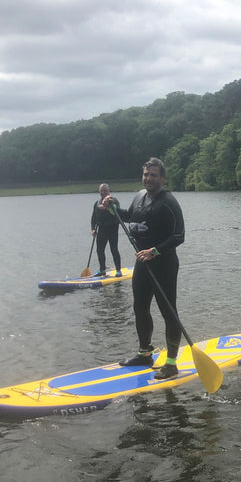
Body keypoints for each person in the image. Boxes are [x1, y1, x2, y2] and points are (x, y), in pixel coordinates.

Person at [99, 158, 185, 380]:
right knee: (140, 308)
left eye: (153, 175)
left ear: (162, 178)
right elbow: (129, 217)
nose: (148, 178)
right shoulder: (139, 197)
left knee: (169, 312)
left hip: (163, 264)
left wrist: (153, 251)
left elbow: (179, 236)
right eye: (146, 174)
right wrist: (113, 207)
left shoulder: (168, 202)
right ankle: (145, 353)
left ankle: (172, 363)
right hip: (143, 264)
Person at [90, 183, 122, 277]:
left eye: (105, 190)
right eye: (101, 191)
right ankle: (102, 270)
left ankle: (118, 270)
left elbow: (118, 213)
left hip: (113, 228)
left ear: (108, 191)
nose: (103, 192)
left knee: (114, 249)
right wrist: (93, 229)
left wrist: (106, 207)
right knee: (100, 250)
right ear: (99, 192)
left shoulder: (113, 201)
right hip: (101, 229)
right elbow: (93, 218)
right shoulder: (97, 203)